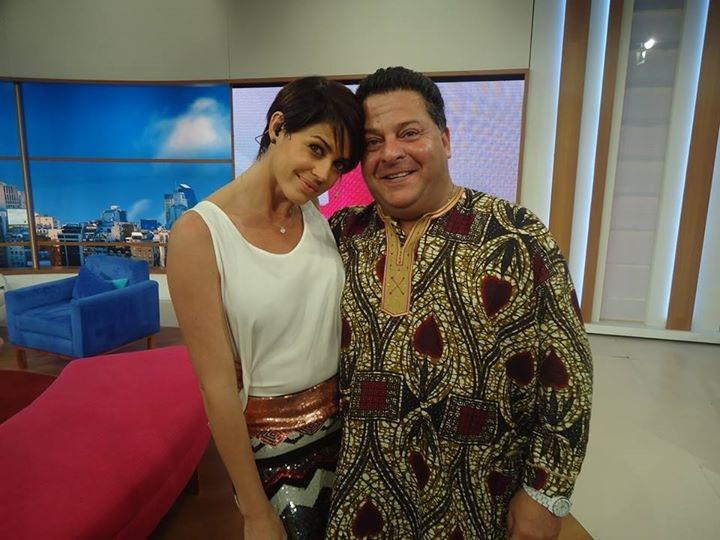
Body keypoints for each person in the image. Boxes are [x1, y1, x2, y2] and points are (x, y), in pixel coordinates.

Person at [326, 67, 593, 539]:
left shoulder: (516, 235)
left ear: (445, 140)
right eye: (372, 142)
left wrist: (545, 494)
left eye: (410, 133)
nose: (391, 153)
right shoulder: (341, 235)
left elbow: (566, 375)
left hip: (478, 499)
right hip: (359, 497)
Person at [167, 76, 363, 540]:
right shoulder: (199, 234)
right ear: (277, 127)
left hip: (347, 433)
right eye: (316, 149)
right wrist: (254, 510)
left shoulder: (312, 214)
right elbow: (216, 388)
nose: (324, 174)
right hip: (270, 446)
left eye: (338, 164)